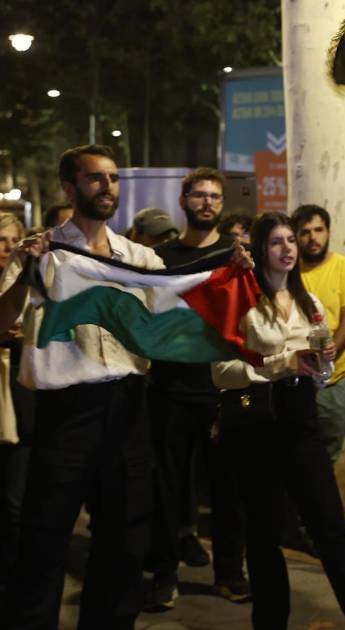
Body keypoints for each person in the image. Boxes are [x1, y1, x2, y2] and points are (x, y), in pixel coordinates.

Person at [0, 144, 165, 628]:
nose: (107, 187)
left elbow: (180, 309)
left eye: (113, 178)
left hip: (128, 405)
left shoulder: (139, 258)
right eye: (95, 178)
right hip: (67, 410)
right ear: (70, 188)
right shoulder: (43, 251)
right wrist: (27, 274)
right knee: (45, 536)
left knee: (125, 537)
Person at [213, 212, 345, 630]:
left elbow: (321, 365)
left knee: (330, 524)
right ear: (260, 249)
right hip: (256, 421)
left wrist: (321, 363)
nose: (287, 248)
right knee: (263, 534)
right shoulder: (243, 300)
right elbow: (221, 374)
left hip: (301, 416)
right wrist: (283, 363)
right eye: (276, 241)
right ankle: (270, 621)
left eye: (290, 240)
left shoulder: (308, 300)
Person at [143, 168, 249, 612]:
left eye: (215, 196)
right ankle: (164, 575)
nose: (207, 202)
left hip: (221, 389)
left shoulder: (236, 258)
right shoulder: (160, 258)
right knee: (166, 489)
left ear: (222, 204)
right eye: (199, 195)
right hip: (169, 387)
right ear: (183, 200)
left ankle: (229, 573)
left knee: (229, 488)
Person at [292, 204, 345, 461]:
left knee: (328, 454)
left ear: (328, 232)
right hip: (295, 376)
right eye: (305, 232)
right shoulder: (291, 272)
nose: (312, 237)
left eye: (318, 230)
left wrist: (327, 354)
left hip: (334, 380)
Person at [0, 214, 32, 599]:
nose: (8, 246)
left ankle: (14, 577)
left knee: (15, 498)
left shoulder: (27, 282)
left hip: (21, 400)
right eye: (1, 239)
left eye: (13, 240)